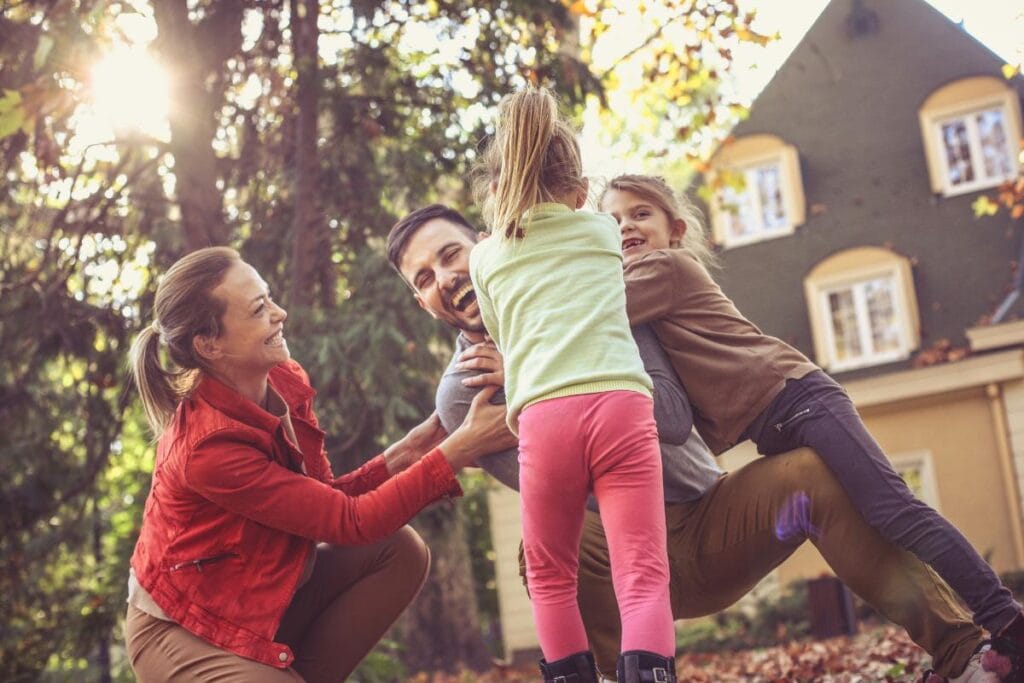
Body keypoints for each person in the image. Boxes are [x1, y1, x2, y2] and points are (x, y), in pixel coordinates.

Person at [387, 203, 995, 683]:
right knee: (543, 545)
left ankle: (964, 653)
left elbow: (672, 419)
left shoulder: (595, 301)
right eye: (425, 279)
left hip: (712, 527)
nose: (446, 277)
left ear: (488, 247)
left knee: (812, 470)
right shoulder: (463, 398)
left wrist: (532, 374)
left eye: (451, 254)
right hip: (617, 554)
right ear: (421, 303)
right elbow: (562, 492)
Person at [601, 173, 1022, 683]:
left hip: (800, 398)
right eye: (612, 221)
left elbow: (594, 313)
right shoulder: (647, 294)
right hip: (776, 423)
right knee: (868, 516)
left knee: (895, 511)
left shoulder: (663, 268)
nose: (625, 227)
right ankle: (962, 649)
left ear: (675, 230)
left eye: (640, 214)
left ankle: (1006, 620)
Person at [123, 246, 514, 682]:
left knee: (398, 550)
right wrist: (459, 449)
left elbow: (325, 503)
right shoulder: (207, 449)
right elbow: (350, 522)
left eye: (269, 297)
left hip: (264, 597)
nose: (280, 314)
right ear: (208, 344)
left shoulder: (282, 379)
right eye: (259, 309)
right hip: (185, 628)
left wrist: (410, 450)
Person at [466, 87, 676, 683]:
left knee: (550, 576)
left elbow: (503, 334)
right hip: (621, 404)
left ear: (497, 188)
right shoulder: (602, 231)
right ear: (581, 192)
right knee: (642, 574)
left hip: (546, 416)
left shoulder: (485, 258)